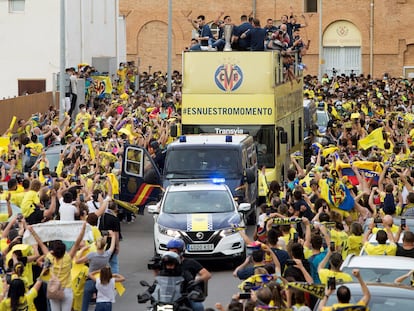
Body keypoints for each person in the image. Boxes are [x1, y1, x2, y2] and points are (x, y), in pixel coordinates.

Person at [27, 222, 87, 311]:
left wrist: (32, 231)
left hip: (54, 288)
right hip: (67, 289)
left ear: (53, 252)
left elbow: (41, 244)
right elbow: (77, 243)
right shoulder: (68, 257)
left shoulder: (50, 257)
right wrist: (83, 229)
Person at [166, 238, 211, 311]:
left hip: (188, 293)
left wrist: (197, 281)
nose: (172, 254)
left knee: (198, 307)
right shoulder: (165, 263)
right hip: (170, 293)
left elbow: (207, 274)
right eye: (170, 252)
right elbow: (159, 278)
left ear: (181, 252)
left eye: (174, 252)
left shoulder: (190, 263)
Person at [76, 230, 116, 311]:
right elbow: (112, 246)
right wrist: (113, 236)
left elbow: (78, 261)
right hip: (102, 280)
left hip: (90, 279)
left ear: (95, 245)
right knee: (101, 301)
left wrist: (82, 250)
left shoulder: (91, 255)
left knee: (84, 305)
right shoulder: (107, 255)